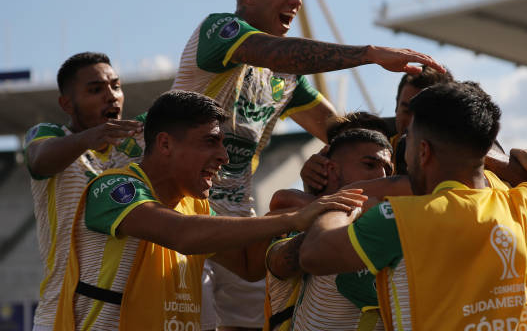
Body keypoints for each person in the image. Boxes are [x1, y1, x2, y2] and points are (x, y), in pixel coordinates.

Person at [172, 0, 443, 330]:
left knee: (249, 321)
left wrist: (439, 122)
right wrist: (368, 54)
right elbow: (275, 52)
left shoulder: (286, 79)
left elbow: (346, 132)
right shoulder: (219, 31)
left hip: (238, 217)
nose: (296, 0)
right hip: (179, 204)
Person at [53, 90, 366, 331]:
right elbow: (183, 234)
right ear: (164, 144)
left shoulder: (195, 205)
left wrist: (302, 210)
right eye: (211, 142)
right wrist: (292, 217)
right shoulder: (113, 188)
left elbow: (247, 264)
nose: (224, 157)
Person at [300, 81, 527, 330]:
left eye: (408, 140)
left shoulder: (403, 219)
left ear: (423, 151)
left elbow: (314, 253)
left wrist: (341, 199)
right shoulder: (525, 206)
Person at [24, 52, 144, 331]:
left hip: (126, 318)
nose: (111, 96)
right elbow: (38, 159)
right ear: (66, 103)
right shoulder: (51, 136)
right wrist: (92, 136)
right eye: (95, 89)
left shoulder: (135, 147)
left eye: (116, 85)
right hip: (63, 318)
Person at [265, 128, 392, 331]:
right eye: (370, 165)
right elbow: (281, 263)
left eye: (389, 170)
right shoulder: (296, 218)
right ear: (332, 170)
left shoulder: (387, 224)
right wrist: (345, 213)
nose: (382, 175)